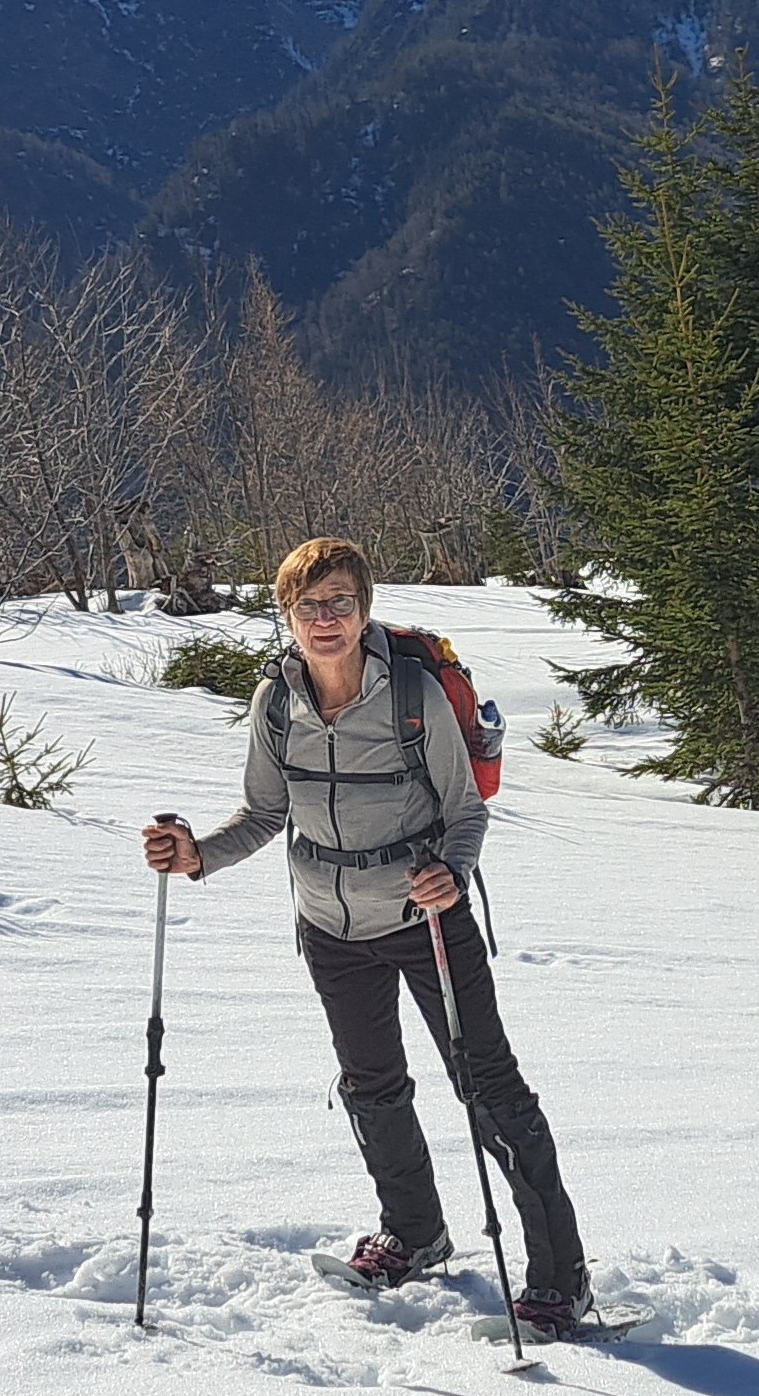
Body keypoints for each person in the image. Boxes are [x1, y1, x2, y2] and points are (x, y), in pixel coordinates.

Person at [140, 539, 593, 1331]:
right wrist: (197, 856)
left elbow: (466, 810)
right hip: (329, 925)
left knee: (491, 1091)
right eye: (308, 606)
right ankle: (414, 1235)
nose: (325, 620)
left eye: (340, 603)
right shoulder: (276, 701)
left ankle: (562, 1279)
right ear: (287, 615)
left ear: (363, 609)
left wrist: (451, 873)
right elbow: (265, 813)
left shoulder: (411, 693)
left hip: (426, 919)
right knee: (371, 1086)